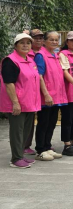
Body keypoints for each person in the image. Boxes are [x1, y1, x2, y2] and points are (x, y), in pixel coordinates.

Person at [1, 33, 42, 168]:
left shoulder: (30, 60)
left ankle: (20, 155)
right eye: (22, 43)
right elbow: (9, 83)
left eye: (28, 43)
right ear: (15, 45)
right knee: (17, 131)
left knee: (25, 130)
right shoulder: (10, 61)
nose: (25, 45)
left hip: (30, 102)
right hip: (18, 103)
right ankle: (16, 158)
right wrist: (15, 102)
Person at [33, 31, 66, 161]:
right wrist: (46, 94)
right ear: (44, 41)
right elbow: (39, 76)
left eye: (56, 39)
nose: (54, 42)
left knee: (52, 123)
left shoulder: (56, 56)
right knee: (43, 123)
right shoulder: (41, 56)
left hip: (56, 96)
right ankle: (40, 149)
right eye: (51, 39)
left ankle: (47, 147)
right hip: (46, 96)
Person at [23, 28, 45, 155]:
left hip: (43, 91)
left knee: (43, 120)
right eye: (36, 38)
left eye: (41, 38)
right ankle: (24, 145)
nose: (39, 40)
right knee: (28, 121)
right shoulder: (27, 53)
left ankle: (41, 144)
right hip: (29, 91)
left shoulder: (45, 52)